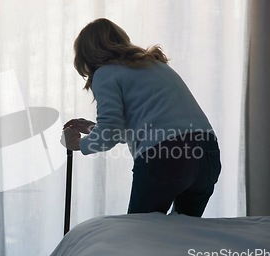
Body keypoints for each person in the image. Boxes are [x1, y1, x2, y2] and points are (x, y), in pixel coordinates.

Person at [63, 18, 221, 217]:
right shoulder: (155, 65)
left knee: (139, 235)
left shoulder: (105, 73)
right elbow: (145, 124)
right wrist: (92, 128)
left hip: (166, 156)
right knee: (183, 234)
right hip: (207, 152)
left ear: (86, 56)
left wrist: (78, 144)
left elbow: (110, 133)